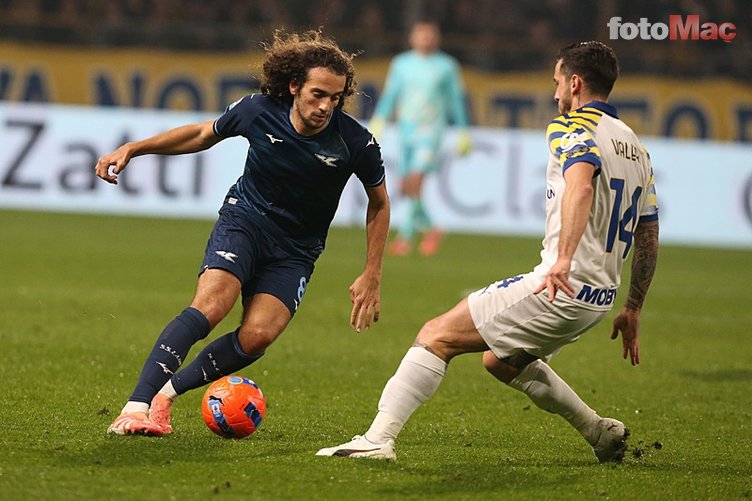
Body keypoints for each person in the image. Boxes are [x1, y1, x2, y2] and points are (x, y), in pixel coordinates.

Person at [317, 41, 660, 462]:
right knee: (502, 362)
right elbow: (648, 233)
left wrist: (564, 259)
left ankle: (377, 439)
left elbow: (581, 185)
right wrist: (633, 307)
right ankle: (599, 432)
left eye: (557, 82)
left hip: (561, 285)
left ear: (574, 83)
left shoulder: (572, 128)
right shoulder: (636, 148)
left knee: (435, 336)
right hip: (599, 298)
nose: (555, 92)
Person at [96, 30, 390, 436]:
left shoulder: (355, 142)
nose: (326, 106)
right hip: (245, 220)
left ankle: (166, 395)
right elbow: (203, 134)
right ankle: (135, 407)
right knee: (212, 305)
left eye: (336, 98)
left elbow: (380, 203)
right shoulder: (257, 111)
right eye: (318, 94)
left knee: (257, 336)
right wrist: (134, 147)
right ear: (294, 86)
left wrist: (372, 272)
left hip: (296, 250)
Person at [369, 19, 471, 257]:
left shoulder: (446, 66)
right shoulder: (401, 64)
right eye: (421, 34)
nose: (426, 39)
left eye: (430, 34)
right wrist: (379, 118)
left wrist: (463, 129)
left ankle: (404, 237)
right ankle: (432, 228)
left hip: (431, 131)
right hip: (406, 131)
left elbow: (455, 99)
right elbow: (391, 94)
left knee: (415, 180)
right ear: (412, 37)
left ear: (437, 38)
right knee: (406, 186)